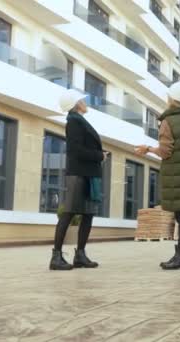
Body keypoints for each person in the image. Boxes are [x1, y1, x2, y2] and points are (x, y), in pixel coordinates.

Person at [136, 82, 180, 270]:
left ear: (170, 100)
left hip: (175, 175)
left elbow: (165, 152)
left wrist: (149, 149)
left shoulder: (168, 122)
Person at [49, 89, 109, 271]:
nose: (85, 101)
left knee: (88, 214)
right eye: (82, 100)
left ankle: (80, 255)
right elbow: (75, 150)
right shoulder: (74, 122)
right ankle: (56, 257)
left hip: (88, 174)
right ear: (76, 105)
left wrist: (98, 156)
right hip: (79, 174)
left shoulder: (80, 121)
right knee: (68, 214)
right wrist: (100, 155)